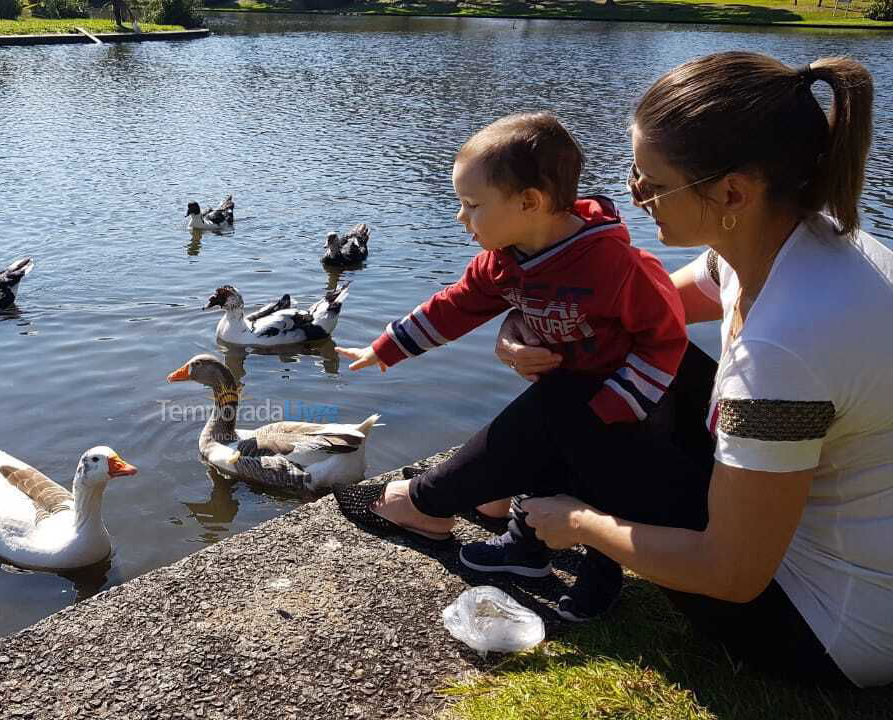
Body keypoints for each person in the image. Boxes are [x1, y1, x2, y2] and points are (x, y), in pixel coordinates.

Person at [477, 52, 890, 687]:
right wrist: (520, 332)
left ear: (732, 191)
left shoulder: (786, 347)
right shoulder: (794, 239)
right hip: (835, 543)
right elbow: (631, 314)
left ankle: (467, 505)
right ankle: (501, 488)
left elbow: (731, 573)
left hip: (830, 629)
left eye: (652, 183)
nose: (633, 198)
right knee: (613, 367)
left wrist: (581, 523)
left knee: (581, 403)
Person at [335, 111, 691, 622]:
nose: (462, 218)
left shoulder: (612, 266)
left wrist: (620, 402)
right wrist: (390, 345)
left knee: (602, 488)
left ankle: (603, 572)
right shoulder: (504, 258)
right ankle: (524, 552)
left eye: (473, 205)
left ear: (530, 203)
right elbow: (457, 304)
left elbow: (664, 339)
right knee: (543, 463)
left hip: (629, 399)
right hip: (566, 395)